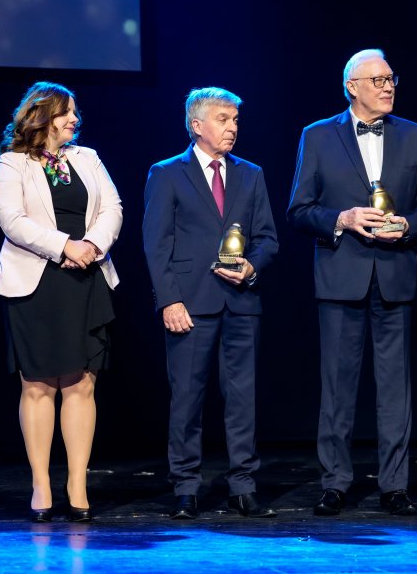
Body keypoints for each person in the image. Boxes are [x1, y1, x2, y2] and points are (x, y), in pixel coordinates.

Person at [287, 49, 417, 516]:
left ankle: (395, 486)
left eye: (391, 78)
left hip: (395, 275)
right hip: (341, 275)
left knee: (396, 387)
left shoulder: (415, 136)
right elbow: (298, 210)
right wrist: (343, 217)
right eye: (377, 80)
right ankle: (335, 482)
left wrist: (409, 226)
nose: (388, 86)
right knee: (337, 387)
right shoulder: (317, 136)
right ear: (352, 87)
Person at [0, 81, 123, 522]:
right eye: (67, 112)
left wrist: (91, 246)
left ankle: (78, 484)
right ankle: (42, 484)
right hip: (38, 282)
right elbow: (13, 221)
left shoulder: (88, 158)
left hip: (86, 277)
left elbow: (112, 207)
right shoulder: (12, 164)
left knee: (82, 383)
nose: (75, 119)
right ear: (43, 117)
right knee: (40, 384)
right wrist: (65, 246)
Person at [143, 87, 279, 520]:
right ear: (196, 125)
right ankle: (186, 488)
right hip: (190, 305)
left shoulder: (251, 173)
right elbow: (156, 243)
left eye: (236, 119)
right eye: (223, 119)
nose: (233, 127)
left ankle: (243, 487)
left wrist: (251, 268)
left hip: (241, 302)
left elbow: (267, 239)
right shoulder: (167, 173)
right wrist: (169, 300)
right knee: (187, 398)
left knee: (242, 398)